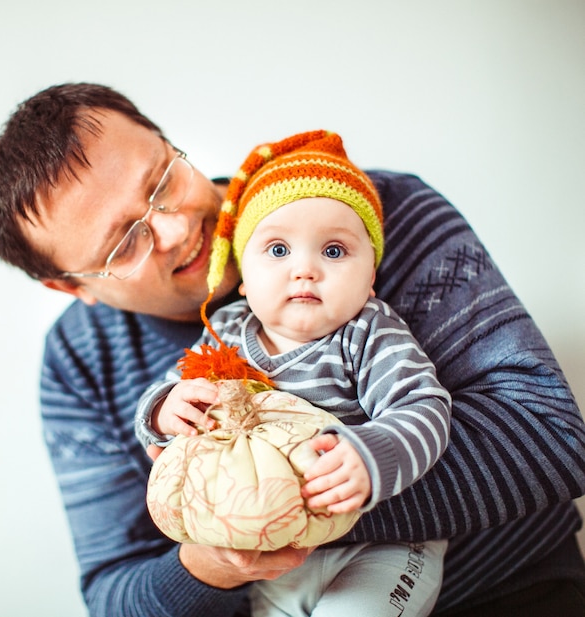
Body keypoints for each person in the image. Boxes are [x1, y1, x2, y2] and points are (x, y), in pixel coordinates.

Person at [0, 82, 585, 617]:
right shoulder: (80, 362)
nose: (178, 229)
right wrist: (208, 564)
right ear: (70, 286)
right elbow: (116, 593)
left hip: (502, 594)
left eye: (163, 178)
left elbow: (551, 436)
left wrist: (264, 508)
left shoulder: (363, 220)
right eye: (124, 242)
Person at [135, 130, 452, 616]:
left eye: (333, 251)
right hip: (274, 557)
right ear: (242, 278)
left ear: (369, 278)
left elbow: (423, 408)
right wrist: (163, 408)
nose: (304, 269)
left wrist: (374, 458)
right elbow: (174, 387)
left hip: (383, 548)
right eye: (279, 251)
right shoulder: (225, 331)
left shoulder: (368, 334)